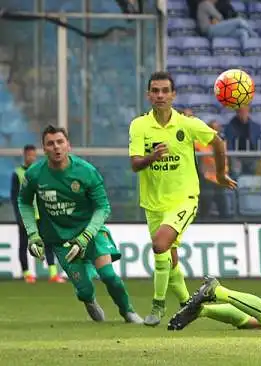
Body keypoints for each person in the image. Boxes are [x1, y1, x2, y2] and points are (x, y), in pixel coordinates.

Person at [128, 71, 237, 326]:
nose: (160, 95)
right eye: (155, 91)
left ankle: (157, 304)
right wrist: (152, 158)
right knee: (169, 255)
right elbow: (135, 164)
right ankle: (190, 303)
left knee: (159, 246)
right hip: (153, 201)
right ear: (148, 95)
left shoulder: (187, 124)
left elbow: (218, 143)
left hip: (184, 199)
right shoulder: (139, 125)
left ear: (173, 95)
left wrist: (220, 174)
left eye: (165, 91)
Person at [17, 125, 142, 323]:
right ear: (44, 149)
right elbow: (23, 201)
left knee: (108, 275)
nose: (56, 147)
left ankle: (128, 311)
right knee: (84, 290)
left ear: (68, 145)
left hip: (90, 232)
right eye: (50, 143)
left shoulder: (86, 171)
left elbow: (103, 207)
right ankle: (89, 300)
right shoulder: (34, 175)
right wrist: (33, 234)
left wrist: (85, 236)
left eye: (60, 142)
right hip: (60, 238)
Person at [10, 144, 64, 284]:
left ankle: (53, 274)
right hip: (26, 215)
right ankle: (27, 273)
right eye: (29, 155)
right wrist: (19, 215)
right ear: (24, 155)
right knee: (24, 244)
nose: (32, 158)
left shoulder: (41, 172)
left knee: (49, 243)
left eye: (34, 155)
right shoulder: (17, 173)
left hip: (42, 213)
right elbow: (14, 196)